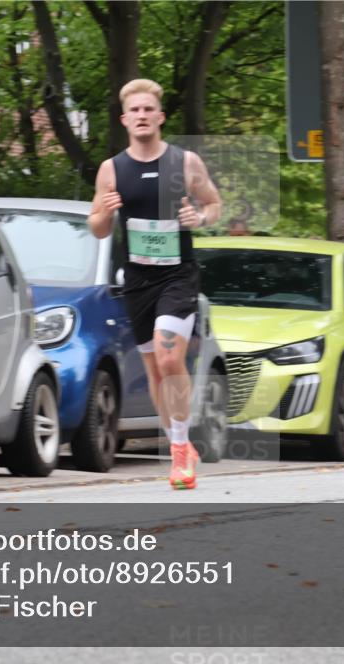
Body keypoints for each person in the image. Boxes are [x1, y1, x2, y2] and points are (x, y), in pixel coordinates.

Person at [87, 79, 222, 490]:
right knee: (156, 373)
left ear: (160, 117)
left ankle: (180, 451)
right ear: (125, 119)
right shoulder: (111, 169)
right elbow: (95, 227)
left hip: (177, 276)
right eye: (135, 111)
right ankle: (179, 443)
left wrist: (198, 219)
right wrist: (106, 214)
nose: (142, 116)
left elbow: (214, 204)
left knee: (168, 358)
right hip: (139, 280)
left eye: (149, 110)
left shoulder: (185, 163)